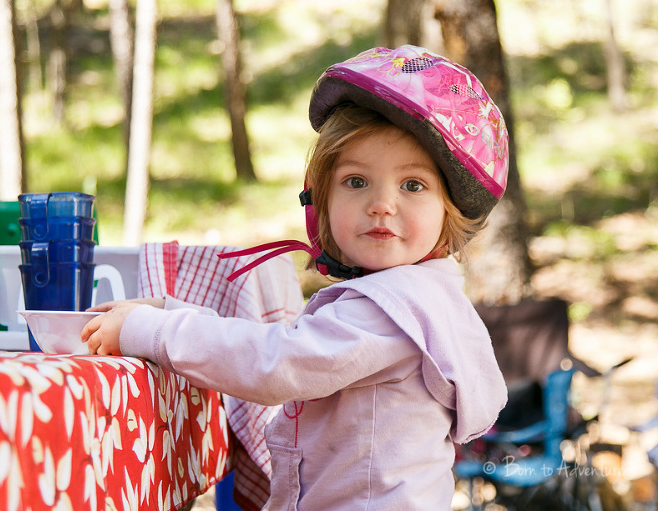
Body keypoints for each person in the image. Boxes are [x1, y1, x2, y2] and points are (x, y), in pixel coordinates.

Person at [82, 45, 508, 510]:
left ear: (448, 214)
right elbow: (286, 342)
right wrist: (170, 311)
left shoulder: (392, 311)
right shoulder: (421, 299)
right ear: (321, 199)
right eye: (356, 181)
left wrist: (155, 332)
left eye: (413, 185)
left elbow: (277, 363)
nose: (382, 204)